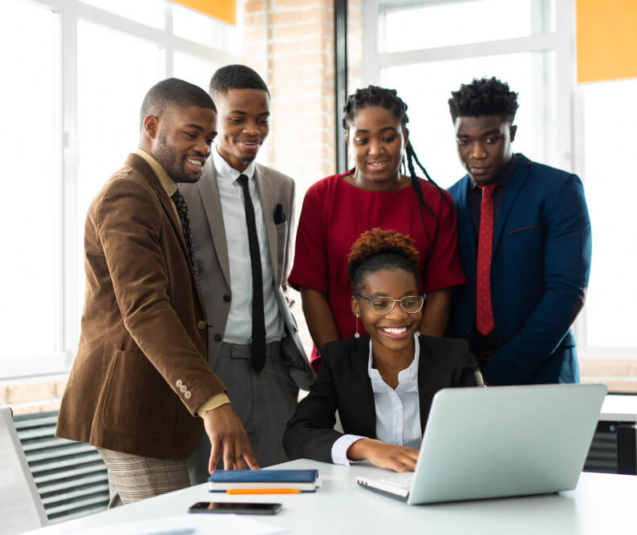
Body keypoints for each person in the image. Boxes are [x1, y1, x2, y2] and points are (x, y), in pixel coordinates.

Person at [56, 78, 258, 507]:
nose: (204, 147)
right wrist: (212, 402)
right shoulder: (128, 193)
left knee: (136, 522)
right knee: (169, 525)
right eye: (191, 134)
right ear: (152, 125)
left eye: (209, 137)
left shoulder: (161, 194)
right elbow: (145, 307)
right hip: (131, 405)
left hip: (152, 405)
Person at [180, 65, 314, 481]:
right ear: (214, 120)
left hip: (276, 365)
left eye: (262, 119)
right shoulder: (186, 187)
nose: (252, 130)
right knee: (215, 494)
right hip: (216, 364)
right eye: (238, 118)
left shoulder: (282, 186)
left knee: (283, 492)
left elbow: (276, 275)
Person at [289, 85, 466, 372]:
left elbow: (440, 292)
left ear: (404, 137)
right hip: (338, 360)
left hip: (415, 363)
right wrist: (340, 366)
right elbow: (312, 290)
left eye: (387, 137)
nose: (376, 150)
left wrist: (417, 366)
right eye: (362, 140)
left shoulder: (435, 201)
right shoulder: (321, 197)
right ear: (348, 140)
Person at [284, 228, 480, 472]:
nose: (398, 315)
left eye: (409, 302)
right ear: (357, 306)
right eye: (380, 303)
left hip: (441, 485)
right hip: (367, 494)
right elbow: (297, 434)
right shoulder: (341, 360)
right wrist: (367, 447)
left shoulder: (454, 357)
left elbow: (483, 433)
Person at [446, 77, 592, 386]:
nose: (476, 153)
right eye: (464, 141)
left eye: (490, 139)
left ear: (511, 133)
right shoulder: (447, 201)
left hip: (544, 374)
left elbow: (567, 293)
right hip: (463, 380)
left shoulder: (557, 190)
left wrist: (496, 375)